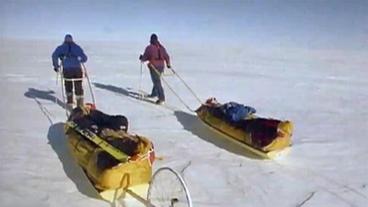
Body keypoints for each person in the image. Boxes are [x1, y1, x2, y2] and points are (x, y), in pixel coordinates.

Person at [52, 34, 88, 108]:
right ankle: (80, 104)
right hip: (77, 70)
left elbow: (54, 55)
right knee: (78, 86)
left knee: (68, 85)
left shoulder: (61, 48)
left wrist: (56, 66)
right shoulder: (77, 47)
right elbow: (84, 58)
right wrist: (79, 59)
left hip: (67, 70)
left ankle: (70, 102)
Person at [139, 33, 171, 105]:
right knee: (156, 80)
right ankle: (154, 94)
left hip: (154, 67)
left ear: (151, 40)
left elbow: (145, 57)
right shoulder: (161, 47)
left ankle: (161, 98)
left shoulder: (149, 48)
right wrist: (168, 64)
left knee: (156, 82)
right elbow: (166, 56)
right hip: (161, 67)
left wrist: (141, 58)